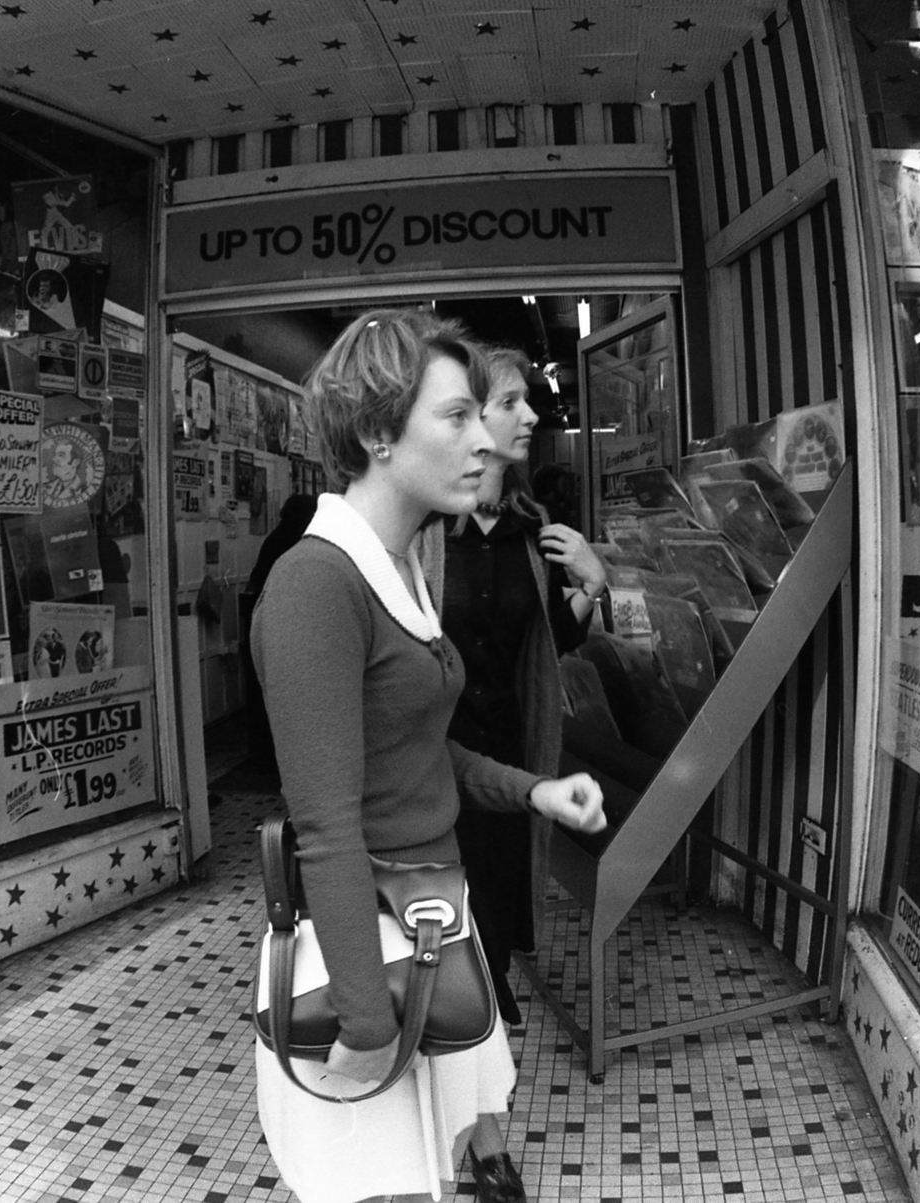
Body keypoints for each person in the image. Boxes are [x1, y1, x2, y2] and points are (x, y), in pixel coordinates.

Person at [250, 308, 607, 1203]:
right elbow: (327, 822)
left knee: (440, 1170)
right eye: (455, 416)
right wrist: (369, 1022)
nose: (487, 438)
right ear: (377, 432)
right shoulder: (316, 584)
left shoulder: (402, 564)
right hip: (364, 945)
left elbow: (416, 752)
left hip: (430, 918)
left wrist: (535, 792)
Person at [422, 347, 606, 1041]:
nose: (532, 414)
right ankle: (456, 1024)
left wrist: (591, 581)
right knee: (442, 901)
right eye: (511, 403)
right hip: (434, 756)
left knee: (496, 893)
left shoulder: (533, 530)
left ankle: (481, 1012)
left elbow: (551, 641)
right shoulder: (427, 531)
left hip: (511, 752)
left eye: (528, 400)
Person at [242, 493, 322, 772]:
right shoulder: (311, 545)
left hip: (268, 630)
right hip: (305, 633)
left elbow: (255, 584)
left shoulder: (273, 541)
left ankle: (265, 760)